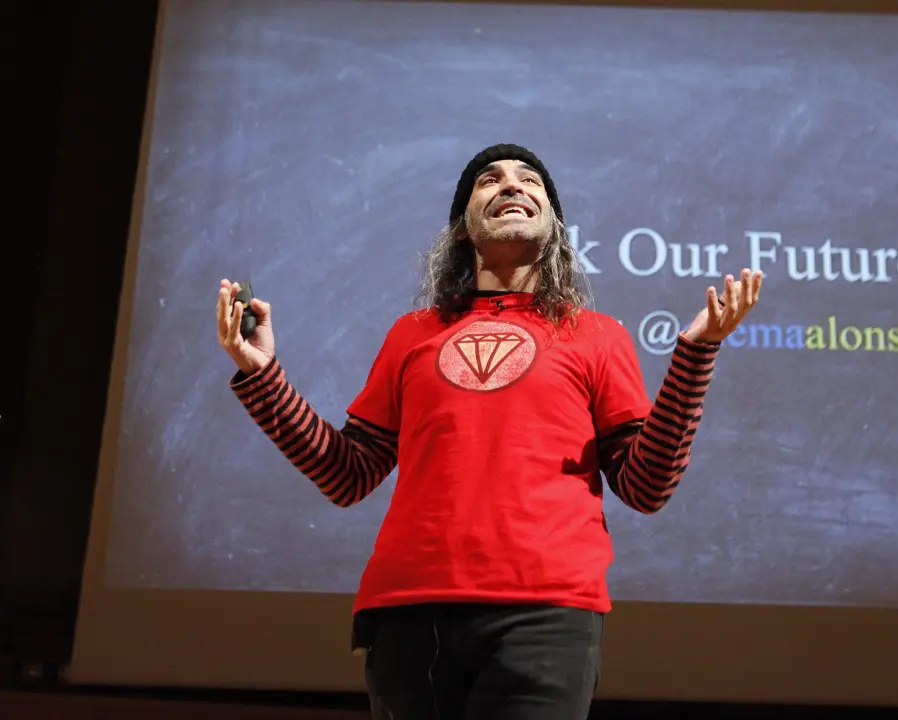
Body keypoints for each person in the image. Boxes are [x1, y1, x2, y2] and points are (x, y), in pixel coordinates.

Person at [214, 143, 763, 720]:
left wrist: (696, 353)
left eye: (530, 180)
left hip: (546, 612)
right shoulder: (412, 334)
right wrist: (262, 374)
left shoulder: (596, 335)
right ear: (461, 227)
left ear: (554, 226)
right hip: (409, 609)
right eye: (489, 180)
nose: (511, 185)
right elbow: (346, 474)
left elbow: (646, 486)